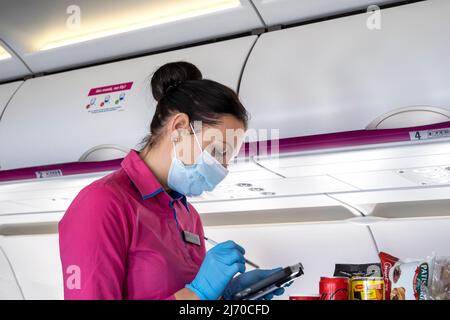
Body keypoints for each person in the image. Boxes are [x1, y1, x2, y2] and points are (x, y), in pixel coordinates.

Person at [58, 61, 285, 300]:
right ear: (178, 127)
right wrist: (198, 294)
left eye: (228, 158)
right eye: (218, 152)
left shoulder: (188, 215)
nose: (223, 168)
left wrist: (226, 296)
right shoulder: (103, 203)